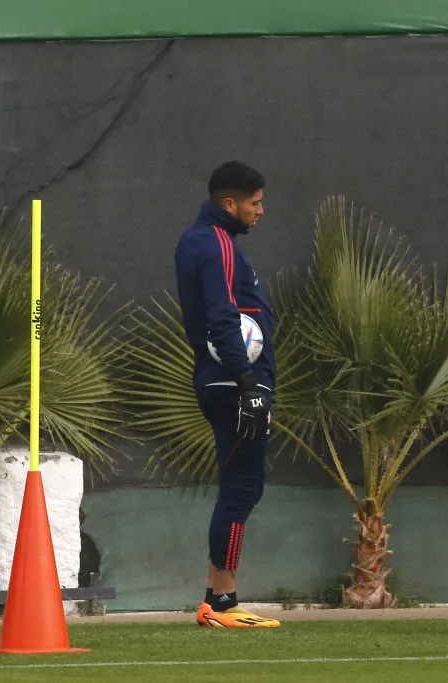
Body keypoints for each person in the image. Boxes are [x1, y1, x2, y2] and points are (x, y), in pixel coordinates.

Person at [174, 161, 280, 628]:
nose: (261, 211)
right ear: (229, 203)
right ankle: (222, 603)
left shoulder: (205, 240)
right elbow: (221, 318)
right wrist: (249, 383)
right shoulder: (215, 244)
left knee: (241, 488)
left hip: (228, 380)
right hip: (234, 382)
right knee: (241, 489)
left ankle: (214, 598)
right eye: (255, 203)